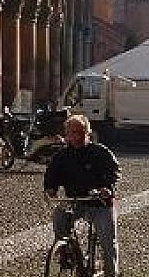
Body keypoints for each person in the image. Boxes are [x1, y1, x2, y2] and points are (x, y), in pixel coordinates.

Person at [44, 114, 121, 277]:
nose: (76, 136)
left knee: (108, 240)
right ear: (67, 134)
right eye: (72, 133)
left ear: (87, 133)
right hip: (75, 201)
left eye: (79, 132)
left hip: (99, 203)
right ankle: (65, 251)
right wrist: (50, 189)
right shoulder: (61, 157)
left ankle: (111, 273)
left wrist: (107, 188)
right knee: (59, 215)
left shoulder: (101, 153)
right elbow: (52, 174)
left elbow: (114, 173)